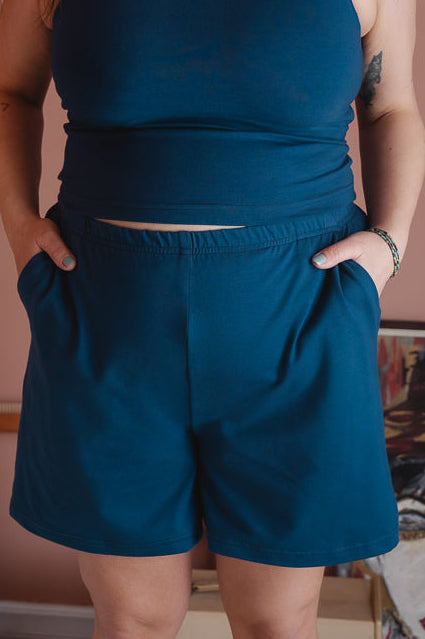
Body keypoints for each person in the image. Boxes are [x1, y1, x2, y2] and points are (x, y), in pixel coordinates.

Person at [1, 0, 423, 637]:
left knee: (277, 623)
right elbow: (11, 90)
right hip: (108, 316)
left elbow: (390, 103)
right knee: (132, 621)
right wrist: (17, 225)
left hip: (298, 314)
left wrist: (390, 243)